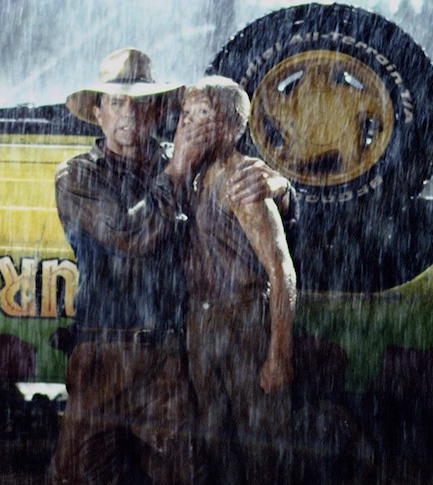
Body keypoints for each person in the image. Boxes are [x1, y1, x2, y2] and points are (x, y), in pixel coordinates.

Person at [48, 49, 293, 484]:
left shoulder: (189, 160)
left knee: (184, 474)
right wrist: (178, 169)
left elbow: (249, 203)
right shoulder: (77, 176)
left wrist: (284, 190)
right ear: (98, 113)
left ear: (158, 110)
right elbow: (129, 235)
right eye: (117, 102)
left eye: (141, 102)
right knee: (76, 475)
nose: (129, 114)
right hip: (101, 355)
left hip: (167, 357)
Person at [170, 75, 298, 484]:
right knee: (214, 438)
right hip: (202, 323)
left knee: (260, 442)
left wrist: (278, 354)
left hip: (244, 322)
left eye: (201, 115)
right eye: (185, 115)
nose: (188, 124)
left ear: (228, 126)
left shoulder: (243, 182)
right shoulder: (188, 174)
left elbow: (282, 271)